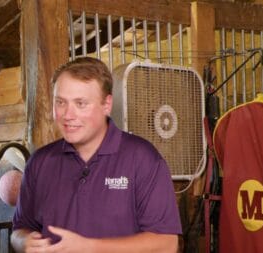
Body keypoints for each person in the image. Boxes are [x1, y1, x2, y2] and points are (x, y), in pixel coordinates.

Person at [11, 57, 181, 253]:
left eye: (80, 103)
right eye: (60, 102)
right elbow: (19, 230)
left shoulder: (143, 159)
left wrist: (90, 247)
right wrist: (24, 242)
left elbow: (167, 244)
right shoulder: (40, 162)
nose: (68, 114)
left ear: (107, 105)